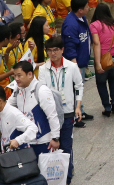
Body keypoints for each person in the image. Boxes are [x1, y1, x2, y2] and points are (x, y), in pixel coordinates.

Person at [38, 36, 83, 185]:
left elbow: (79, 86)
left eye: (56, 50)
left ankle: (67, 179)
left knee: (66, 145)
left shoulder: (71, 66)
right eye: (49, 51)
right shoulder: (43, 68)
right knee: (52, 144)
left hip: (68, 111)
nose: (53, 53)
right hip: (50, 114)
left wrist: (78, 107)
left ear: (62, 50)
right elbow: (42, 90)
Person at [7, 61, 60, 157]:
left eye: (19, 75)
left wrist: (55, 138)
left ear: (30, 74)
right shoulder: (18, 90)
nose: (16, 79)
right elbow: (7, 105)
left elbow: (52, 115)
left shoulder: (42, 90)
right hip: (26, 141)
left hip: (43, 141)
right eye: (14, 76)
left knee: (43, 171)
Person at [61, 0, 93, 127]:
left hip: (82, 60)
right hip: (76, 63)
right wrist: (75, 64)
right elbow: (69, 46)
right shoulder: (70, 25)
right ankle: (75, 116)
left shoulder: (81, 18)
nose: (89, 8)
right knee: (74, 89)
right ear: (80, 9)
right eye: (87, 6)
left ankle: (81, 110)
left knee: (79, 88)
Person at [0, 85, 38, 151]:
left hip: (18, 156)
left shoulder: (13, 113)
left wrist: (18, 140)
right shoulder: (1, 111)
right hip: (7, 153)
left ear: (0, 101)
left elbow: (33, 129)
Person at [90, 3, 114, 117]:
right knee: (113, 80)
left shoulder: (94, 25)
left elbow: (96, 43)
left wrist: (97, 63)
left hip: (103, 59)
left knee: (101, 83)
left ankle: (107, 107)